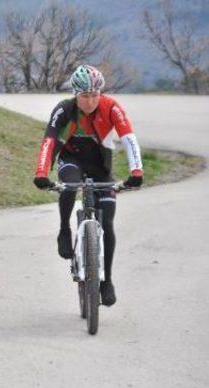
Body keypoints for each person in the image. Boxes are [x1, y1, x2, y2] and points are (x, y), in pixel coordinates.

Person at [33, 64, 144, 306]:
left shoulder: (111, 107)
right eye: (85, 96)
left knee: (107, 221)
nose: (91, 101)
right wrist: (41, 172)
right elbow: (49, 141)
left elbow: (128, 138)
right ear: (75, 94)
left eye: (95, 95)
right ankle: (64, 229)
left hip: (100, 163)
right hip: (71, 159)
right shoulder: (64, 110)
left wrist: (136, 171)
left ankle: (107, 281)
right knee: (70, 185)